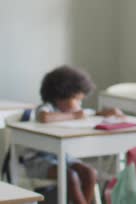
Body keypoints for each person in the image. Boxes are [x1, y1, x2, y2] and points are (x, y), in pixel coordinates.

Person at [22, 65, 123, 204]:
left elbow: (89, 113)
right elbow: (44, 117)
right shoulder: (47, 108)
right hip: (37, 161)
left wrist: (108, 112)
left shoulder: (72, 112)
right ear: (60, 97)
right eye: (76, 99)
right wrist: (74, 115)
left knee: (90, 173)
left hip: (63, 158)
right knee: (70, 176)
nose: (79, 104)